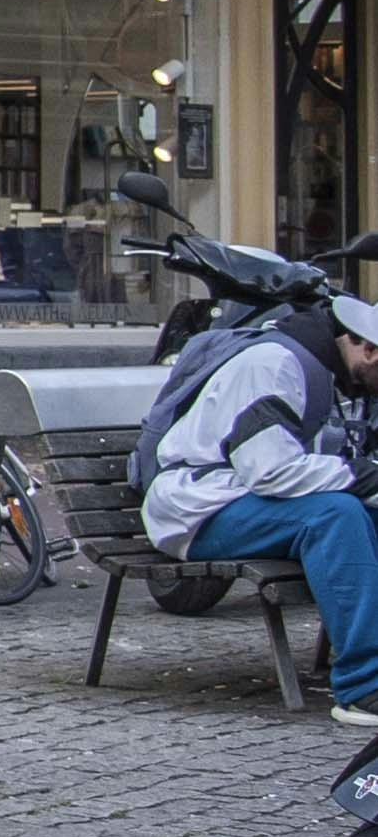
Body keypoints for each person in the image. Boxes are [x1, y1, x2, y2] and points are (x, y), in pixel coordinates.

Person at [139, 278, 378, 794]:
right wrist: (363, 477)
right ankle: (363, 687)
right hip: (200, 507)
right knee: (336, 515)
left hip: (225, 497)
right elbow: (269, 471)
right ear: (366, 348)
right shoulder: (274, 364)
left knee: (355, 512)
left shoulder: (306, 364)